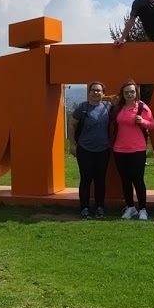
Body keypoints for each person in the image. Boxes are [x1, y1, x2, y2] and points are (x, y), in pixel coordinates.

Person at [110, 79, 154, 220]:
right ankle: (130, 207)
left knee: (138, 180)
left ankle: (142, 209)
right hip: (119, 149)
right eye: (126, 92)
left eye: (132, 92)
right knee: (125, 180)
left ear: (136, 92)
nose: (129, 94)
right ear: (122, 94)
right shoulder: (118, 108)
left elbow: (152, 124)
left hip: (137, 149)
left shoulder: (142, 107)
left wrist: (143, 122)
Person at [69, 81, 112, 219]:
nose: (96, 92)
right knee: (86, 179)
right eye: (93, 90)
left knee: (100, 180)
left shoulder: (108, 106)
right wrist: (72, 144)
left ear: (103, 93)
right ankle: (84, 208)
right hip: (85, 149)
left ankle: (100, 208)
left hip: (103, 149)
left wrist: (109, 97)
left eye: (99, 90)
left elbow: (119, 98)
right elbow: (72, 124)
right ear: (89, 92)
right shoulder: (83, 107)